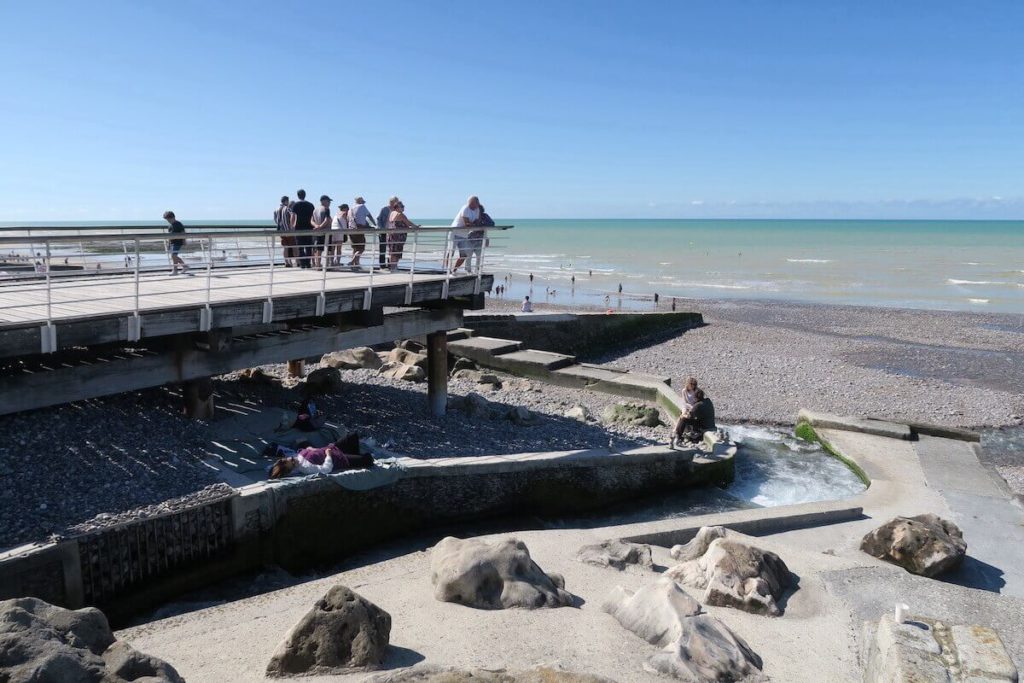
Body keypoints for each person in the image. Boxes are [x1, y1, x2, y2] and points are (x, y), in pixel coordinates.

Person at [268, 433, 374, 479]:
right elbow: (325, 469)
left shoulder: (297, 457)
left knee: (352, 436)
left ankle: (355, 456)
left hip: (335, 448)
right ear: (290, 468)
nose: (290, 458)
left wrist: (311, 448)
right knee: (369, 459)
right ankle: (356, 458)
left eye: (286, 459)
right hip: (339, 459)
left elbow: (307, 450)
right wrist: (328, 455)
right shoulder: (306, 467)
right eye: (289, 461)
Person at [450, 195, 481, 273]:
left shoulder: (477, 209)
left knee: (464, 255)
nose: (472, 205)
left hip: (464, 235)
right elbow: (467, 223)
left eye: (474, 203)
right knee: (450, 253)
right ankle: (447, 271)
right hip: (455, 232)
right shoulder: (465, 208)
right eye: (470, 204)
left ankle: (453, 271)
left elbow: (477, 222)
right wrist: (472, 224)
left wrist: (472, 224)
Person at [387, 200, 420, 270]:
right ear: (397, 207)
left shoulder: (392, 213)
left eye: (403, 206)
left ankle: (392, 268)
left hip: (392, 235)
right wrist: (416, 226)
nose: (403, 207)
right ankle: (394, 268)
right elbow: (408, 223)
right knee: (396, 252)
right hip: (398, 237)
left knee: (392, 252)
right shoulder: (400, 214)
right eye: (401, 206)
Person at [290, 189, 316, 268]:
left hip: (299, 227)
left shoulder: (296, 205)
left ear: (298, 195)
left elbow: (293, 217)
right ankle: (308, 264)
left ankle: (302, 263)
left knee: (300, 247)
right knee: (308, 247)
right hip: (309, 227)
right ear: (305, 195)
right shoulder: (310, 205)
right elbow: (313, 217)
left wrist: (292, 226)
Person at [349, 196, 374, 267]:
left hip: (351, 229)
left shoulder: (351, 208)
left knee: (355, 248)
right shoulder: (362, 206)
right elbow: (369, 216)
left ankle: (356, 264)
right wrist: (374, 224)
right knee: (361, 248)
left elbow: (356, 219)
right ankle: (352, 261)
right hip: (359, 229)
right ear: (360, 201)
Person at [163, 211, 188, 275]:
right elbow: (169, 236)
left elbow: (183, 233)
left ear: (173, 217)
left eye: (169, 219)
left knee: (173, 256)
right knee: (174, 256)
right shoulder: (170, 226)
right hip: (172, 242)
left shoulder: (178, 224)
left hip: (178, 242)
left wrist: (184, 241)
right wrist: (168, 244)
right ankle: (184, 266)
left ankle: (175, 270)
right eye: (167, 219)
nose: (168, 220)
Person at [311, 195, 333, 269]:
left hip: (318, 232)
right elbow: (326, 220)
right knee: (328, 249)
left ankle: (318, 265)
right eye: (328, 201)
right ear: (324, 201)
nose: (329, 203)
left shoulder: (315, 209)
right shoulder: (326, 209)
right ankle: (326, 265)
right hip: (326, 232)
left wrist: (316, 226)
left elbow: (311, 221)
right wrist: (320, 227)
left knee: (319, 249)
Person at [274, 195, 296, 267]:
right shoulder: (287, 208)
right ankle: (297, 261)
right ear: (286, 201)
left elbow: (276, 220)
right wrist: (292, 226)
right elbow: (292, 215)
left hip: (281, 231)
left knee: (285, 247)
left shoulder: (276, 209)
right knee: (293, 246)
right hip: (289, 230)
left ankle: (286, 262)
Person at [376, 197, 397, 269]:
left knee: (391, 249)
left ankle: (390, 264)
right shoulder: (385, 209)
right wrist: (382, 230)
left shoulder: (396, 209)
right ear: (391, 202)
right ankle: (382, 265)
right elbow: (379, 219)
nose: (396, 203)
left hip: (392, 232)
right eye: (395, 201)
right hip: (383, 231)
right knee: (383, 249)